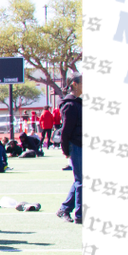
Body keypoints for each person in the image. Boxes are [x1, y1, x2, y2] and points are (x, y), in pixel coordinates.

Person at [56, 73, 82, 224]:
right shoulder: (70, 105)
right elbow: (66, 131)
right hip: (76, 145)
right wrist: (66, 150)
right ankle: (80, 214)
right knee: (81, 181)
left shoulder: (78, 103)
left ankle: (65, 209)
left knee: (80, 179)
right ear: (75, 84)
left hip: (80, 144)